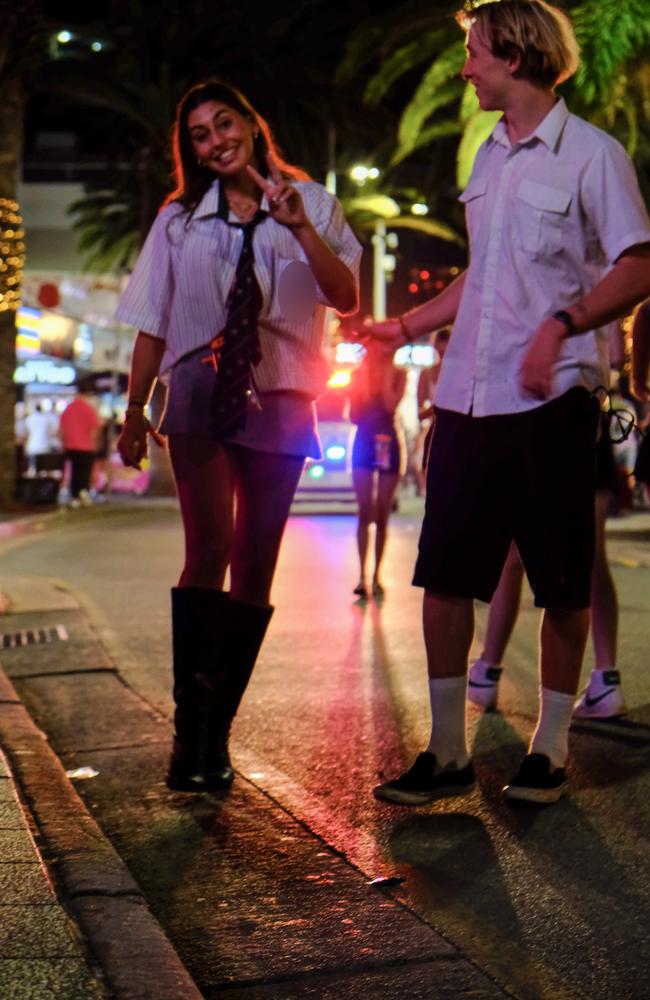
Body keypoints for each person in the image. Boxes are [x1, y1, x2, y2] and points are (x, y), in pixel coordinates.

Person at [367, 0, 650, 806]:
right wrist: (405, 324)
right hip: (466, 398)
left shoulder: (593, 156)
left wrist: (560, 326)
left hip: (554, 398)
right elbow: (481, 275)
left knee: (562, 584)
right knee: (445, 578)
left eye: (475, 53)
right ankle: (449, 753)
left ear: (518, 56)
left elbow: (638, 265)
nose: (465, 68)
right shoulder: (489, 158)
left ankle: (550, 747)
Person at [115, 80, 360, 793]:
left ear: (252, 126)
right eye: (199, 133)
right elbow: (153, 322)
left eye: (225, 123)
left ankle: (217, 730)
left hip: (282, 395)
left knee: (255, 565)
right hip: (197, 390)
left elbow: (345, 298)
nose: (215, 139)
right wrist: (134, 410)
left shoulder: (311, 203)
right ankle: (190, 735)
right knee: (210, 550)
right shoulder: (181, 220)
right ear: (189, 148)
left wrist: (301, 227)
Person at [469, 411, 626, 719]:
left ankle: (488, 670)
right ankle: (606, 679)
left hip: (543, 425)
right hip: (590, 422)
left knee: (514, 552)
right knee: (592, 555)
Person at [349, 340, 406, 599]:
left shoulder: (399, 374)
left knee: (382, 511)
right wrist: (363, 381)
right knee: (364, 509)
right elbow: (353, 414)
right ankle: (362, 575)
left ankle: (377, 576)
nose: (376, 353)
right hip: (364, 440)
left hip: (387, 440)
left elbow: (391, 404)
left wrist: (384, 377)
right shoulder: (357, 374)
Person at [416, 326, 451, 484]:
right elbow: (419, 412)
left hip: (456, 431)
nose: (443, 356)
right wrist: (437, 409)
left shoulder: (462, 373)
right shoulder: (427, 374)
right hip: (434, 430)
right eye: (441, 353)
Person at [59, 383, 101, 507]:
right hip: (86, 446)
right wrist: (94, 443)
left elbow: (62, 429)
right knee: (84, 471)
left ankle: (75, 496)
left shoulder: (68, 409)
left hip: (70, 446)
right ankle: (83, 492)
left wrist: (65, 442)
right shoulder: (89, 409)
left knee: (74, 471)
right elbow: (94, 430)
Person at [24, 403, 58, 475]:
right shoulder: (46, 419)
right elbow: (52, 432)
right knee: (43, 469)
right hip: (44, 445)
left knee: (32, 468)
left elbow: (27, 433)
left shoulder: (29, 418)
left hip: (32, 445)